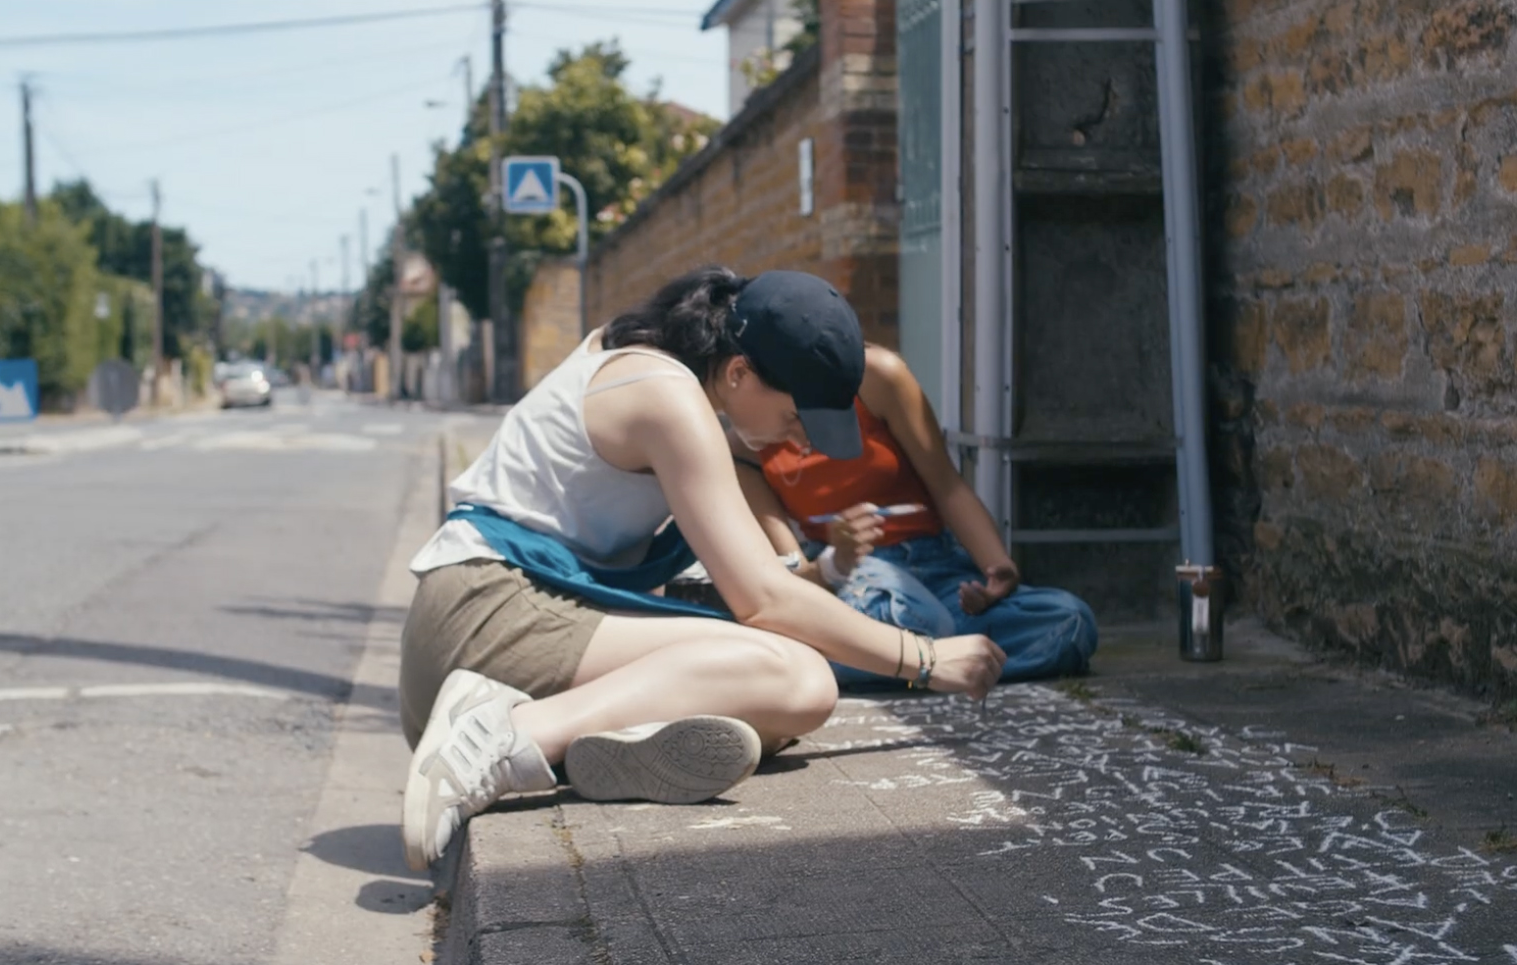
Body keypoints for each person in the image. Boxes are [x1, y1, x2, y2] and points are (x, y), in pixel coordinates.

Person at [399, 268, 1006, 871]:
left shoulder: (649, 360)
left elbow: (772, 582)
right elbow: (766, 600)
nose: (800, 440)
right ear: (739, 373)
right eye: (796, 418)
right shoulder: (666, 395)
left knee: (771, 702)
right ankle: (499, 736)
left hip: (499, 614)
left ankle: (598, 749)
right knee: (798, 677)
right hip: (486, 612)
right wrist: (926, 659)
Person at [731, 344, 1098, 687]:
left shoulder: (875, 377)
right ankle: (934, 659)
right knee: (910, 616)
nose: (801, 436)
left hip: (935, 566)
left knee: (1069, 622)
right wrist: (837, 560)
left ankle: (918, 663)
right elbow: (796, 578)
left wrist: (996, 567)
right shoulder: (743, 445)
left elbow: (946, 483)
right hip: (856, 583)